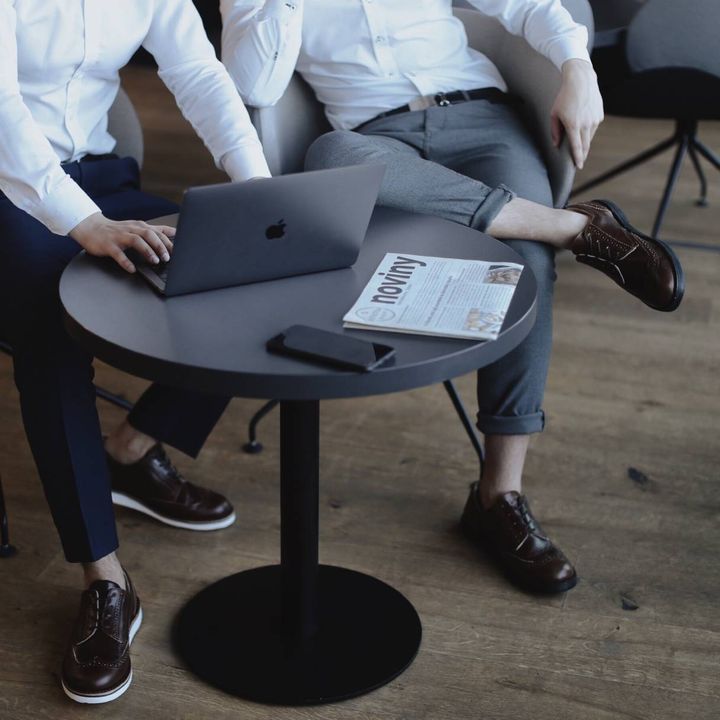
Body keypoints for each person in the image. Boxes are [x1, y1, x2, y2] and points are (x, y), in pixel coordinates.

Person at [220, 0, 684, 595]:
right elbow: (252, 82)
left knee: (526, 265)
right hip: (375, 142)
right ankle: (576, 228)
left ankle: (498, 496)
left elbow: (531, 6)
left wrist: (577, 69)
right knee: (328, 159)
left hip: (484, 121)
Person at [0, 0, 271, 704]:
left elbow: (200, 76)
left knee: (237, 279)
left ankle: (131, 450)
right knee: (51, 331)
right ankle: (104, 579)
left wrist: (259, 193)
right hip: (6, 185)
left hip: (97, 175)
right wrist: (82, 223)